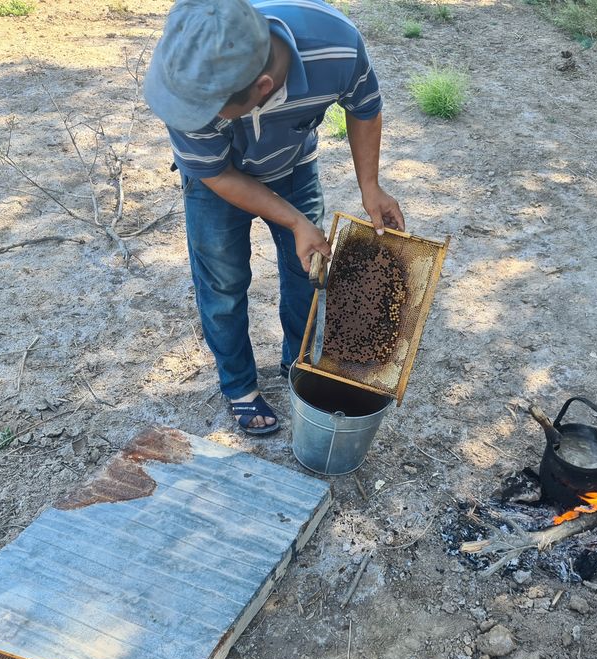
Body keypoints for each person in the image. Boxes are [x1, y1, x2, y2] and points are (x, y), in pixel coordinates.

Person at [145, 0, 404, 435]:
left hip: (295, 166)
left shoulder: (336, 45)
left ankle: (295, 364)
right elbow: (217, 174)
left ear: (263, 86)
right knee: (223, 287)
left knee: (308, 273)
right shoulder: (188, 76)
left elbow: (364, 107)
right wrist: (297, 221)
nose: (193, 116)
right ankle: (239, 387)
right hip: (218, 181)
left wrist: (370, 186)